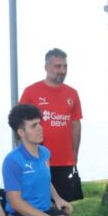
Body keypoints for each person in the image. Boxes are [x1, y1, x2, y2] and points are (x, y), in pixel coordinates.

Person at [19, 48, 83, 201]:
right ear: (46, 67)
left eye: (65, 66)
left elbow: (75, 124)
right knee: (40, 202)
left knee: (64, 203)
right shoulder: (31, 92)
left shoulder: (72, 93)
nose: (62, 71)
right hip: (38, 159)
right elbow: (19, 124)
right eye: (57, 66)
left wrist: (74, 154)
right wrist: (24, 154)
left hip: (64, 160)